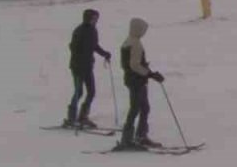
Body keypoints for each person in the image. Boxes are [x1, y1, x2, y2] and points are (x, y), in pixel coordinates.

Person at [118, 18, 165, 150]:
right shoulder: (135, 44)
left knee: (142, 108)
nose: (144, 32)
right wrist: (150, 74)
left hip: (132, 79)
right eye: (143, 30)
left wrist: (148, 72)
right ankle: (129, 139)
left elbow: (128, 64)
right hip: (136, 81)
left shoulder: (128, 41)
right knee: (136, 109)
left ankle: (139, 136)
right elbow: (134, 65)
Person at [66, 9, 112, 129]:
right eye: (94, 18)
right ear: (88, 18)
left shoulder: (93, 30)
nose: (96, 21)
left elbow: (94, 46)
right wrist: (79, 60)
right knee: (79, 91)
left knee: (91, 92)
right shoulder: (79, 30)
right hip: (77, 67)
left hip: (87, 67)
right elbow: (72, 47)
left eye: (97, 18)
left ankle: (83, 116)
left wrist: (104, 54)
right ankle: (71, 117)